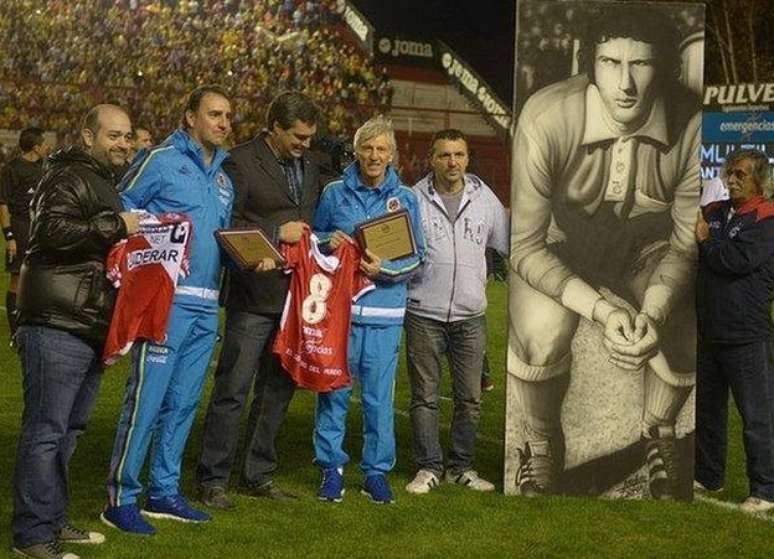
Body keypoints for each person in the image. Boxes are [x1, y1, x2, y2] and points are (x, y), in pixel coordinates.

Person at [508, 4, 700, 499]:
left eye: (641, 64)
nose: (626, 83)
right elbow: (526, 246)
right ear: (589, 62)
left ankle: (658, 430)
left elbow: (684, 244)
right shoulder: (546, 117)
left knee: (689, 314)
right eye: (611, 63)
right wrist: (599, 307)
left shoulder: (691, 124)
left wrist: (652, 314)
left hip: (644, 252)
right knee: (540, 330)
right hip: (561, 248)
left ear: (664, 68)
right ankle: (542, 442)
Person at [102, 85, 233, 535]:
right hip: (165, 301)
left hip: (206, 305)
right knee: (147, 399)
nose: (223, 122)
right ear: (190, 117)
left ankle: (163, 490)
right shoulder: (160, 160)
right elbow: (121, 206)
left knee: (182, 403)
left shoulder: (224, 177)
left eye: (227, 115)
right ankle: (121, 496)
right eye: (214, 114)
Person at [12, 105, 137, 559]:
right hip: (56, 320)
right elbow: (50, 232)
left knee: (68, 431)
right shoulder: (67, 174)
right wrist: (115, 226)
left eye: (128, 136)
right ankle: (31, 535)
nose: (124, 143)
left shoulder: (101, 180)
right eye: (114, 135)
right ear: (88, 136)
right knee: (47, 430)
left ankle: (52, 520)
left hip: (84, 319)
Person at [195, 91, 324, 509]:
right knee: (233, 387)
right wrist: (275, 233)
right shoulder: (241, 161)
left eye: (310, 137)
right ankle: (212, 479)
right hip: (252, 296)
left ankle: (257, 474)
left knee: (277, 389)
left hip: (296, 298)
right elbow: (230, 224)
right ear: (275, 129)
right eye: (299, 137)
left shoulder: (311, 164)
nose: (306, 144)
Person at [312, 116, 425, 504]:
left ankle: (375, 472)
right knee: (334, 394)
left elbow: (418, 257)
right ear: (356, 151)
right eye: (367, 148)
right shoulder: (334, 192)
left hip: (384, 316)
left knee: (378, 400)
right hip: (339, 315)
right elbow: (312, 242)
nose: (374, 156)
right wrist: (329, 240)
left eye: (381, 149)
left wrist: (386, 270)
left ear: (391, 154)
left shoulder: (406, 198)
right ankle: (331, 468)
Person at [404, 129, 508, 494]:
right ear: (431, 159)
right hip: (423, 313)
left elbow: (508, 242)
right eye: (445, 155)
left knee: (470, 399)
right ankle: (428, 468)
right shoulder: (413, 198)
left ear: (467, 158)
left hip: (470, 315)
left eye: (459, 155)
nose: (452, 162)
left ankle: (461, 467)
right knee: (425, 397)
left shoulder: (485, 199)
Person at [694, 149, 774, 513]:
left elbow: (736, 260)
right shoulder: (718, 212)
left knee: (756, 416)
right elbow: (686, 214)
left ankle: (766, 488)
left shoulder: (767, 218)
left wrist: (707, 242)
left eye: (741, 174)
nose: (732, 179)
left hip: (746, 334)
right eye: (730, 173)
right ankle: (710, 476)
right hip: (711, 330)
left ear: (760, 180)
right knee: (708, 411)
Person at [0, 127, 51, 344]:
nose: (47, 147)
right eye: (44, 143)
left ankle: (35, 324)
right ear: (36, 146)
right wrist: (9, 236)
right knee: (17, 280)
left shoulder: (45, 168)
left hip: (41, 228)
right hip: (20, 228)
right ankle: (15, 333)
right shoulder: (12, 169)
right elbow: (2, 204)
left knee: (40, 277)